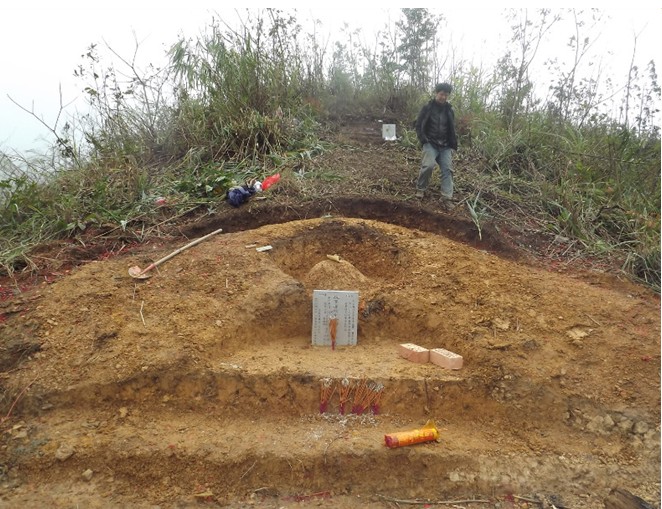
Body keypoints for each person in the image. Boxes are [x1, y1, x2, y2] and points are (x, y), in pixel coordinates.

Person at [414, 82, 458, 206]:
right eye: (441, 94)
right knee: (428, 166)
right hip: (430, 143)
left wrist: (452, 143)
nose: (443, 97)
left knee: (447, 170)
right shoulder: (427, 107)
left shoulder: (450, 110)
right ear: (436, 93)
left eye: (446, 95)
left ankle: (447, 197)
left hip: (445, 145)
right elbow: (418, 124)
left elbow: (451, 128)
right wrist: (423, 139)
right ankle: (420, 189)